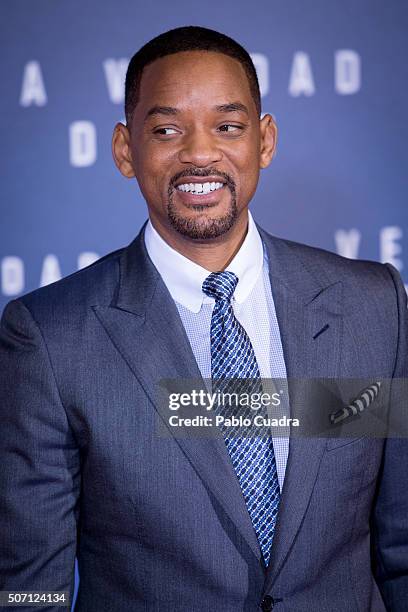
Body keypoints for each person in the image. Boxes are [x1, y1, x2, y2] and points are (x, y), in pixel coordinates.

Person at [0, 25, 407, 612]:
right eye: (167, 130)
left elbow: (401, 543)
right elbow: (27, 591)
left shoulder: (373, 307)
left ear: (263, 141)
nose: (199, 152)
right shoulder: (50, 337)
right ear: (123, 149)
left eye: (227, 127)